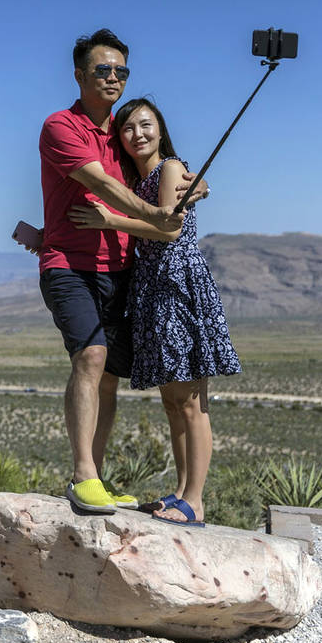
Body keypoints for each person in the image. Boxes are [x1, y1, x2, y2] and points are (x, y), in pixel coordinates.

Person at [36, 29, 207, 514]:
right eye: (102, 71)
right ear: (79, 75)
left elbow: (167, 167)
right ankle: (82, 476)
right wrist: (156, 216)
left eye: (121, 72)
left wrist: (195, 187)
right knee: (90, 357)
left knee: (109, 374)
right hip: (70, 267)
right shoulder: (60, 126)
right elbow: (103, 185)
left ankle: (99, 475)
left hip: (122, 271)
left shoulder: (119, 133)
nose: (113, 79)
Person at [67, 97, 241, 526]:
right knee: (172, 400)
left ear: (160, 129)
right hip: (151, 291)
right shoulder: (140, 178)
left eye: (145, 125)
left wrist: (111, 221)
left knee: (191, 402)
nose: (137, 134)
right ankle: (182, 492)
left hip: (176, 287)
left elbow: (169, 228)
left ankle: (195, 500)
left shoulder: (168, 170)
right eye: (127, 129)